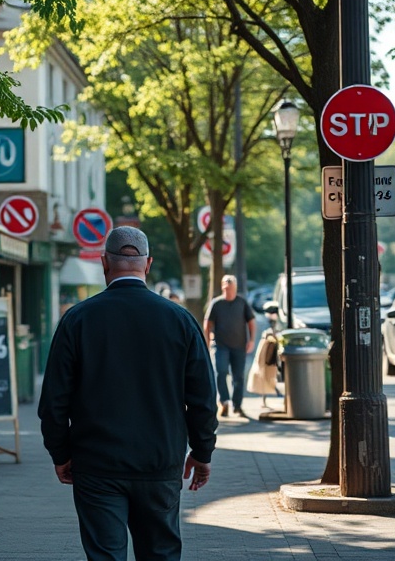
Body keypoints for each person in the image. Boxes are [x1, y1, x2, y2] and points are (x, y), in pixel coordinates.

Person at [39, 226, 218, 561]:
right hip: (160, 461)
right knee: (161, 554)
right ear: (148, 265)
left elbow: (53, 401)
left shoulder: (77, 320)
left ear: (104, 262)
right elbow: (203, 399)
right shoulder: (180, 320)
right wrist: (202, 451)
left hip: (96, 463)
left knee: (105, 555)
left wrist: (60, 453)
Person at [204, 274, 257, 418]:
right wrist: (208, 342)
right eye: (226, 288)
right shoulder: (216, 303)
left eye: (231, 288)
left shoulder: (242, 303)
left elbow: (251, 322)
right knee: (220, 372)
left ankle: (237, 405)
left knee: (238, 376)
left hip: (239, 346)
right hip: (220, 346)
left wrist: (251, 340)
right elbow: (208, 324)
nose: (229, 291)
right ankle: (224, 402)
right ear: (222, 287)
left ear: (235, 288)